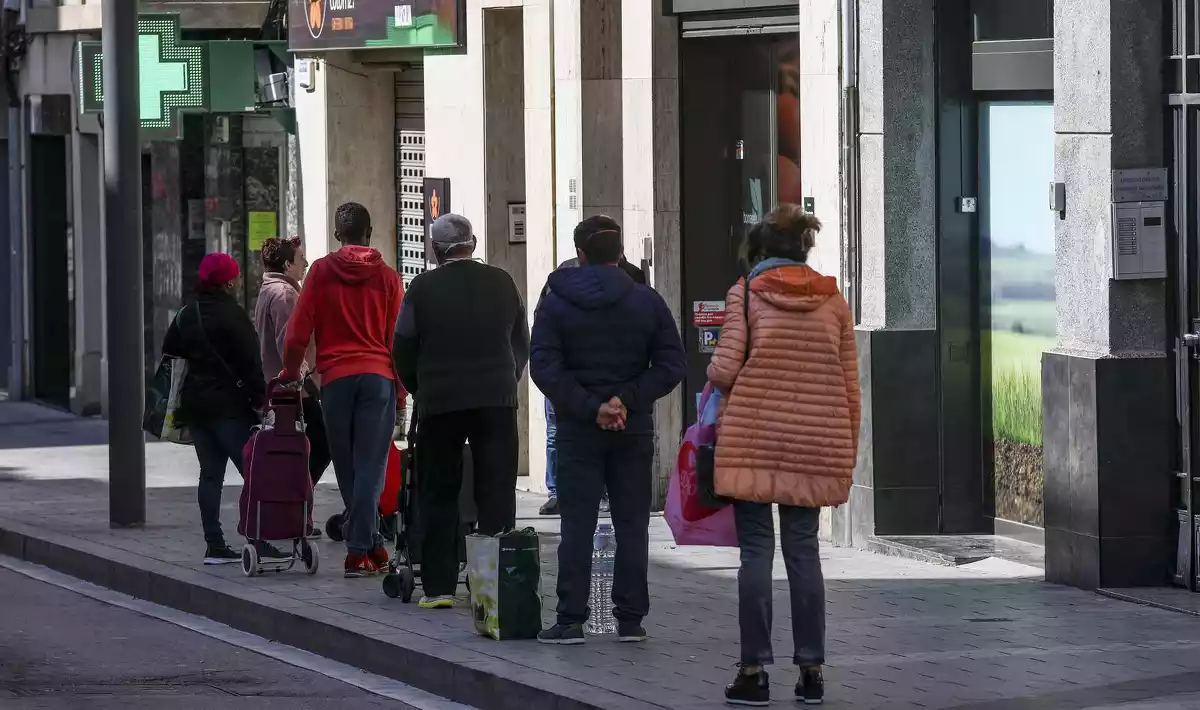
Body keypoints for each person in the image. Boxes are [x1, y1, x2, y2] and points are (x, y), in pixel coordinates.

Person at [708, 206, 860, 707]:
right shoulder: (834, 302)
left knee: (756, 553)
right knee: (803, 553)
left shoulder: (746, 295)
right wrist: (845, 448)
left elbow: (725, 369)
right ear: (803, 249)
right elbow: (850, 387)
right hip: (815, 441)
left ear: (759, 250)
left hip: (753, 437)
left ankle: (753, 672)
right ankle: (811, 671)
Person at [530, 215, 686, 645]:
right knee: (632, 523)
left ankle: (570, 619)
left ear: (579, 253)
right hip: (632, 429)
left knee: (576, 524)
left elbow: (543, 365)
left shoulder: (556, 300)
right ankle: (630, 619)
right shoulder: (646, 301)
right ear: (619, 254)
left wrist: (589, 406)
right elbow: (673, 364)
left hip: (578, 430)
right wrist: (627, 400)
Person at [393, 213, 529, 609]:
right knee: (497, 491)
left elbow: (403, 348)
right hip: (497, 400)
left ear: (434, 249)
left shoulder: (421, 287)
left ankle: (438, 588)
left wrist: (421, 387)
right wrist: (507, 378)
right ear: (474, 241)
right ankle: (493, 586)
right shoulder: (503, 282)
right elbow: (522, 340)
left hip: (440, 401)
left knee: (438, 492)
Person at [281, 202, 405, 578]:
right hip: (378, 376)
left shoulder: (319, 272)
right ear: (370, 232)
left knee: (349, 464)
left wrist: (290, 371)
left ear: (337, 235)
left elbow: (298, 330)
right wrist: (400, 392)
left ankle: (367, 546)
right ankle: (363, 548)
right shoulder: (387, 277)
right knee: (373, 463)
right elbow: (397, 340)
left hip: (334, 380)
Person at [162, 253, 283, 565]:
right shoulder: (233, 315)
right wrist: (261, 400)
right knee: (253, 474)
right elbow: (250, 363)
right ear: (229, 281)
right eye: (236, 275)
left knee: (210, 476)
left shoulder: (187, 314)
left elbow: (170, 351)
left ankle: (214, 545)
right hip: (230, 408)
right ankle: (258, 540)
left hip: (197, 409)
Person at [537, 258, 644, 516]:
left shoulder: (560, 282)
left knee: (557, 437)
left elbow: (542, 351)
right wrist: (626, 397)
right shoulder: (634, 285)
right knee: (630, 521)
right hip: (616, 388)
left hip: (570, 385)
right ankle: (572, 493)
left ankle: (559, 494)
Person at [254, 236, 330, 538]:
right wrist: (308, 381)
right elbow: (289, 345)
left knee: (304, 451)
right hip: (294, 390)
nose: (306, 264)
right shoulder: (284, 294)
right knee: (320, 446)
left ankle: (294, 509)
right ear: (287, 265)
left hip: (285, 389)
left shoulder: (268, 289)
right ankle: (294, 508)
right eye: (301, 259)